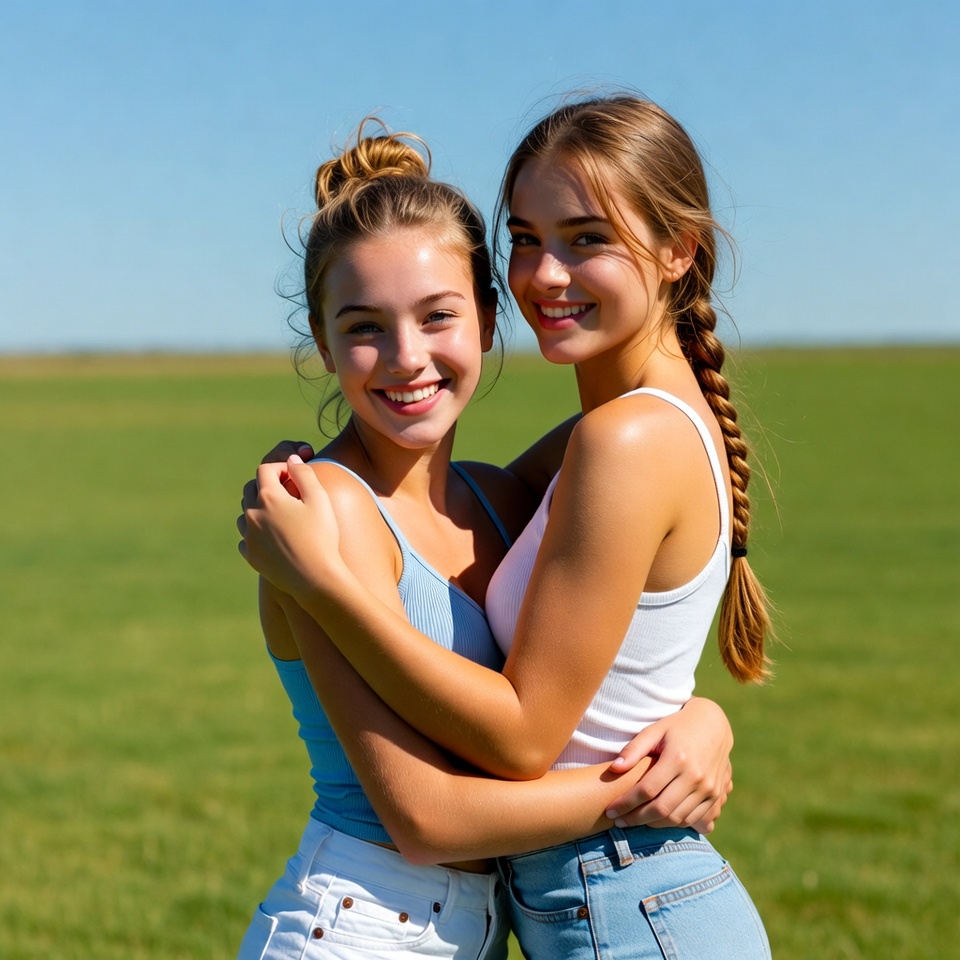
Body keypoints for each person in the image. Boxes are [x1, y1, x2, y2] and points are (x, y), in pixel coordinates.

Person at [235, 119, 738, 960]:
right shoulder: (316, 515)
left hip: (482, 932)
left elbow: (638, 599)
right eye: (363, 327)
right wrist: (648, 788)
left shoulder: (503, 495)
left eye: (438, 315)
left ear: (485, 319)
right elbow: (426, 817)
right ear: (321, 343)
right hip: (356, 927)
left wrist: (700, 716)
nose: (406, 358)